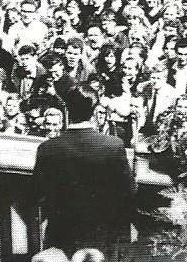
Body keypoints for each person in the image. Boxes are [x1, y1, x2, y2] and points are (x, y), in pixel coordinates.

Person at [33, 84, 135, 256]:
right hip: (100, 236)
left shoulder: (47, 147)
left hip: (60, 234)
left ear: (66, 110)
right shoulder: (113, 146)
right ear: (95, 111)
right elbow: (129, 191)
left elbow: (36, 193)